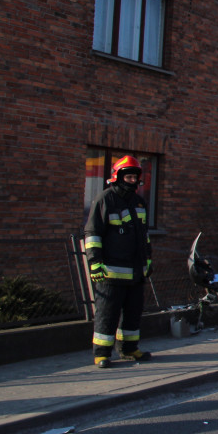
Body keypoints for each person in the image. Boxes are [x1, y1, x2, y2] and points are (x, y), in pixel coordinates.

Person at [84, 155, 153, 368]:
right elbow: (93, 233)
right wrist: (95, 263)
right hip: (110, 272)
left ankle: (129, 349)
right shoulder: (105, 199)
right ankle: (102, 354)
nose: (133, 181)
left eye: (135, 177)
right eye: (129, 176)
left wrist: (148, 260)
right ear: (118, 177)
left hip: (135, 271)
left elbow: (144, 235)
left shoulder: (139, 202)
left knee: (133, 314)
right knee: (107, 314)